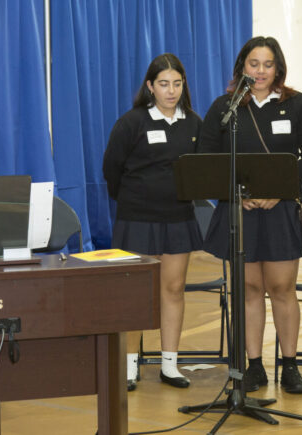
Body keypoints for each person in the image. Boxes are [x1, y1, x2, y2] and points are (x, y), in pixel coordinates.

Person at [198, 36, 302, 394]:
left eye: (268, 65)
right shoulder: (226, 107)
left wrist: (280, 189)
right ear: (242, 68)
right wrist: (235, 195)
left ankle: (290, 366)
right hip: (240, 211)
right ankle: (253, 366)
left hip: (282, 209)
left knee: (282, 288)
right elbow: (207, 158)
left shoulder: (297, 105)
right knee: (249, 289)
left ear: (278, 68)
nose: (261, 71)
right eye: (254, 64)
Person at [103, 53, 203, 391]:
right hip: (137, 219)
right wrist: (135, 199)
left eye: (177, 84)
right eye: (163, 84)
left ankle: (170, 365)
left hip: (178, 218)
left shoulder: (193, 123)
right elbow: (111, 170)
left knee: (173, 289)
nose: (171, 91)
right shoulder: (132, 122)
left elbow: (201, 169)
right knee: (136, 293)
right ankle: (130, 367)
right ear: (150, 86)